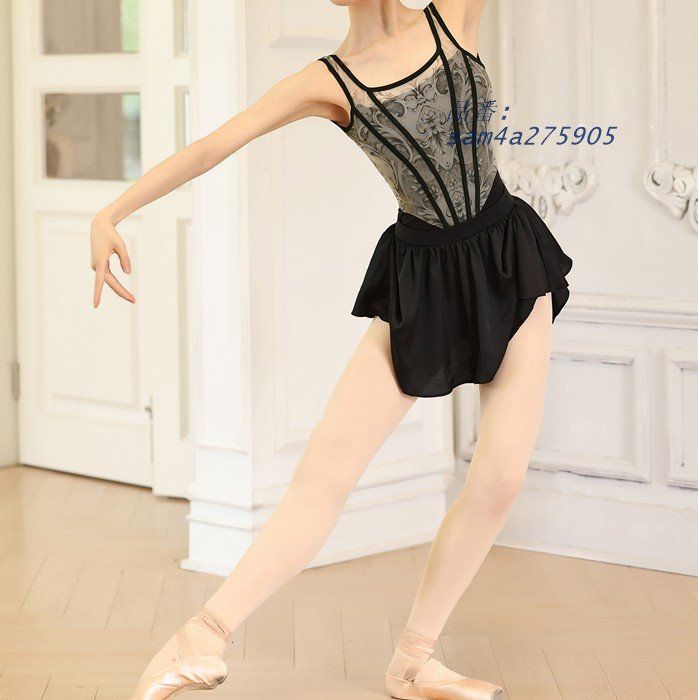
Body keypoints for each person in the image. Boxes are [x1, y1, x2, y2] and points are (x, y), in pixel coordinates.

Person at [89, 1, 572, 698]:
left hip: (507, 257)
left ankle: (414, 661)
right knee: (325, 474)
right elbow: (211, 147)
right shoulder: (330, 79)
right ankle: (200, 636)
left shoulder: (451, 16)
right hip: (423, 278)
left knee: (500, 479)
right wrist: (112, 211)